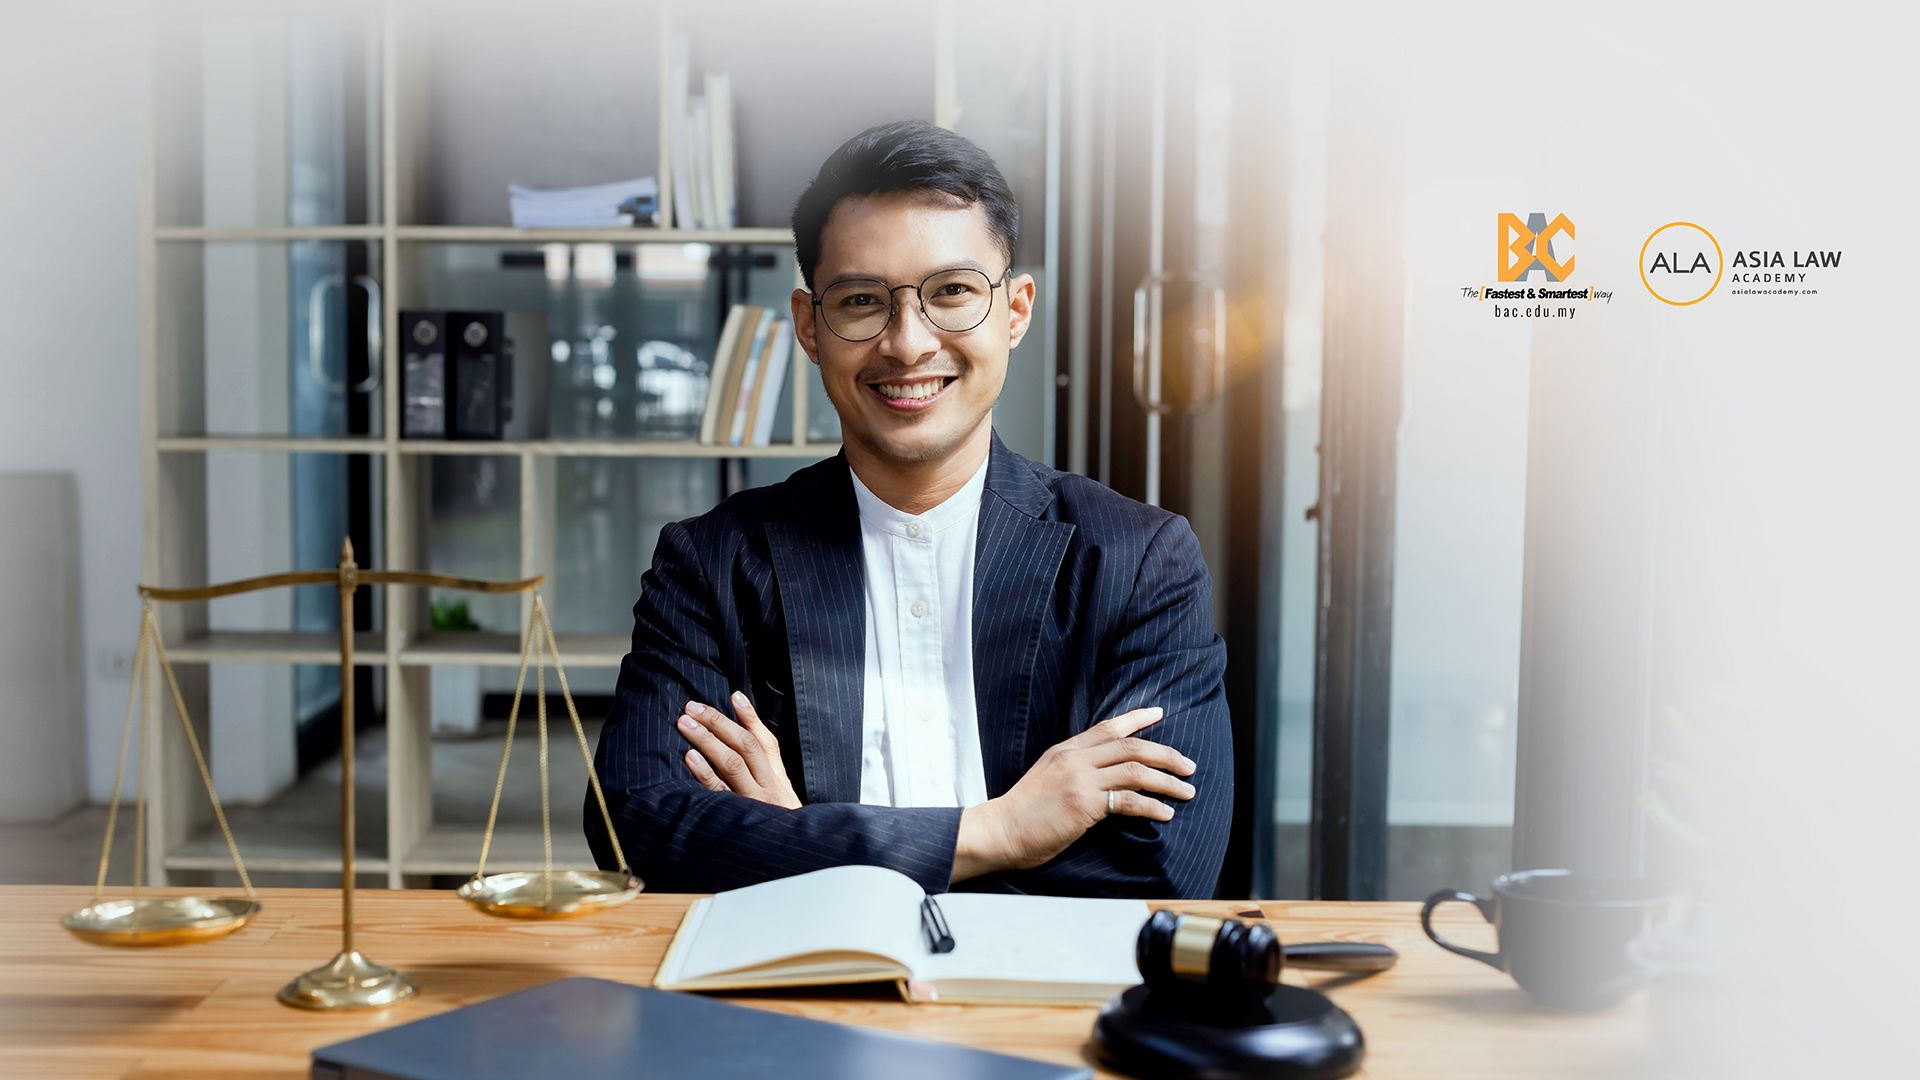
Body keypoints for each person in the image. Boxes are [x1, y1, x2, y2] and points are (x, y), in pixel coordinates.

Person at [586, 120, 1231, 898]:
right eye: (862, 301)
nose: (907, 343)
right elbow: (636, 823)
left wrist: (794, 841)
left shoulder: (1136, 559)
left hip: (1036, 1007)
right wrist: (1001, 830)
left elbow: (1162, 864)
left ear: (1016, 310)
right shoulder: (711, 564)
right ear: (809, 327)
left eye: (952, 292)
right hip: (789, 992)